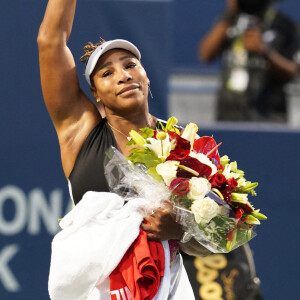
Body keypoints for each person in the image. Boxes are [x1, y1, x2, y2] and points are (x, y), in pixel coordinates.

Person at [37, 0, 211, 298]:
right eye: (107, 73)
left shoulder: (186, 145)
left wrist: (177, 230)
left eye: (131, 65)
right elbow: (50, 42)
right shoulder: (79, 130)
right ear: (96, 94)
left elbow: (215, 237)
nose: (123, 75)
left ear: (146, 75)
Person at [199, 0, 300, 122]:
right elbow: (206, 54)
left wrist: (264, 52)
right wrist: (230, 14)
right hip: (228, 116)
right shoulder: (229, 21)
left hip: (269, 117)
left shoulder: (284, 25)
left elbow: (292, 71)